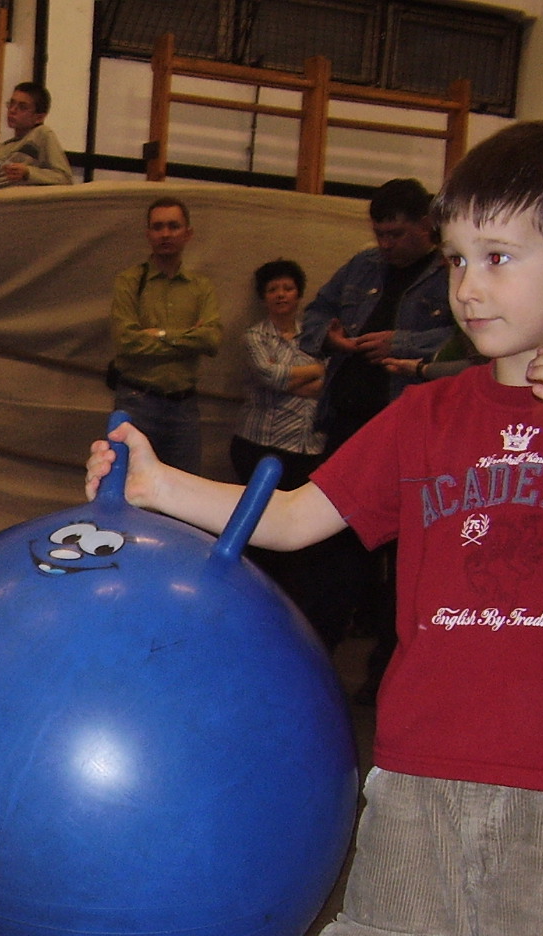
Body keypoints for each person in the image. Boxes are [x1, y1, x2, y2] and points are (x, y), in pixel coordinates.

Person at [85, 119, 543, 936]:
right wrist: (157, 487)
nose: (467, 286)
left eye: (499, 257)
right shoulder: (428, 415)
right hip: (418, 790)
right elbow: (294, 518)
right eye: (458, 258)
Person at [299, 177, 458, 698]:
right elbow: (315, 313)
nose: (386, 244)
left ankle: (387, 675)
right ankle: (310, 666)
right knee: (333, 556)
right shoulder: (363, 266)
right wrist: (331, 338)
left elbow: (471, 340)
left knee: (409, 563)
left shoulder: (450, 272)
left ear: (426, 226)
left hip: (414, 436)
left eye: (396, 234)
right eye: (380, 234)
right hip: (349, 429)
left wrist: (403, 342)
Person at [233, 259, 339, 646]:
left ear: (298, 293)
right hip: (260, 443)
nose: (281, 295)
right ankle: (249, 612)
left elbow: (332, 379)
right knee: (259, 536)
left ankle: (289, 622)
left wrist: (299, 376)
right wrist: (314, 371)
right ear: (263, 297)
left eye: (288, 288)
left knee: (299, 544)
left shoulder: (317, 334)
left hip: (308, 446)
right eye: (273, 289)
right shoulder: (254, 336)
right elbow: (272, 377)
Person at [106, 197, 222, 473]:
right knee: (129, 484)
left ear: (188, 233)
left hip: (184, 409)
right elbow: (126, 342)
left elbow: (211, 340)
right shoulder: (128, 282)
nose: (166, 234)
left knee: (183, 487)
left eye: (173, 226)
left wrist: (159, 334)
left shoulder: (201, 287)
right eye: (158, 227)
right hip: (137, 401)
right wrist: (188, 338)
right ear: (148, 234)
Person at [0, 81, 73, 213]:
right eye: (11, 104)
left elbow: (64, 178)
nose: (12, 110)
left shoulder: (42, 134)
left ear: (39, 117)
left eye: (22, 107)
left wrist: (28, 172)